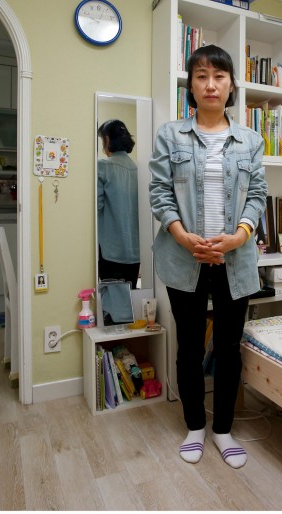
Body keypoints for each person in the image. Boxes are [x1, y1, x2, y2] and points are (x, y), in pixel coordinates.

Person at [150, 44, 267, 470]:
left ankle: (223, 431)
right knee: (188, 346)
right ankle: (195, 426)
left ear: (231, 85)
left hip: (235, 258)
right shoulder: (170, 135)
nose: (210, 84)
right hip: (185, 257)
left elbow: (257, 196)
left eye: (219, 76)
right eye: (201, 76)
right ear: (191, 86)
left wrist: (237, 238)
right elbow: (160, 193)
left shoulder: (251, 140)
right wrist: (184, 238)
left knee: (230, 347)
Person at [97, 119, 140, 287]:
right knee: (131, 301)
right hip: (135, 254)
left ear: (107, 140)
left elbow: (97, 207)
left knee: (112, 305)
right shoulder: (139, 169)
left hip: (110, 251)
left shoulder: (102, 166)